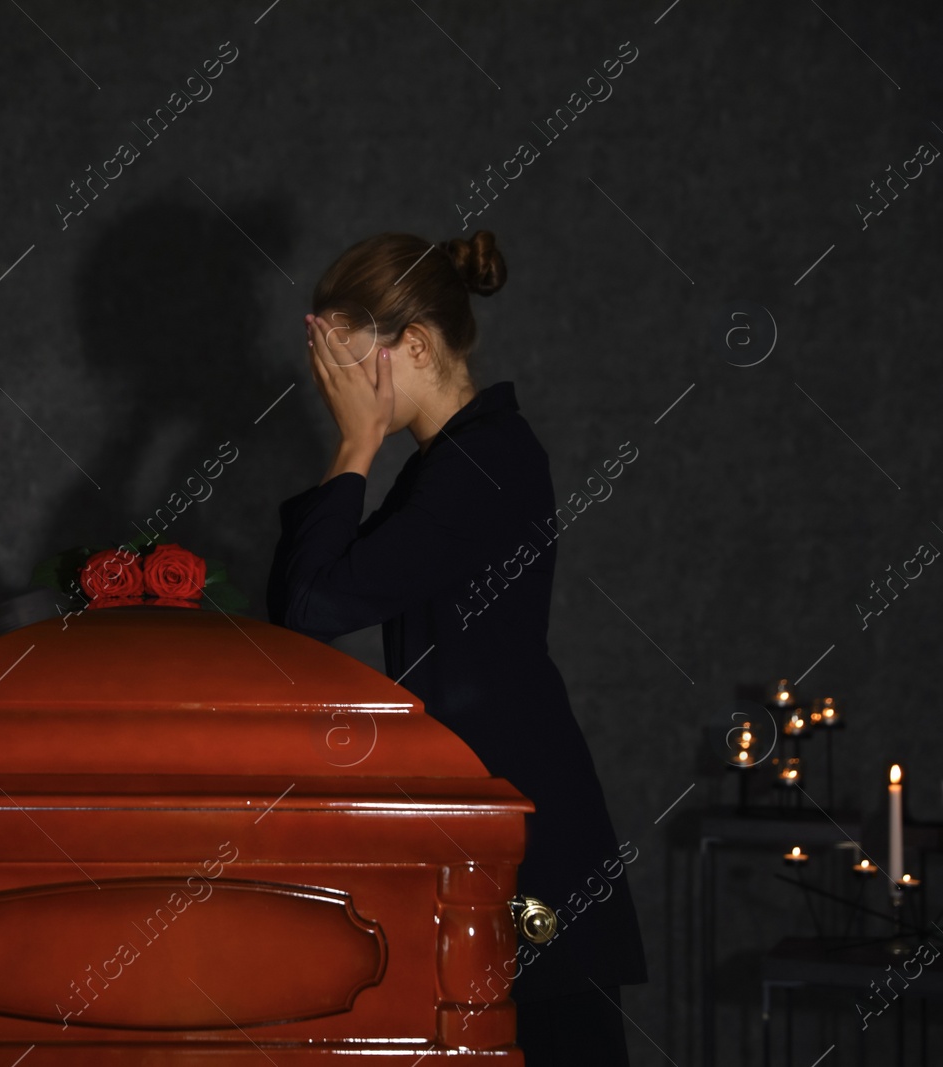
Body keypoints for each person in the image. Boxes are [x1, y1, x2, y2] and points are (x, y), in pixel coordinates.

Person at [266, 230, 647, 1064]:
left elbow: (309, 604)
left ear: (418, 344)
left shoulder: (486, 461)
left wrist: (354, 446)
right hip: (487, 813)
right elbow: (302, 609)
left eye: (350, 363)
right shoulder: (453, 461)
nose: (338, 390)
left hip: (527, 830)